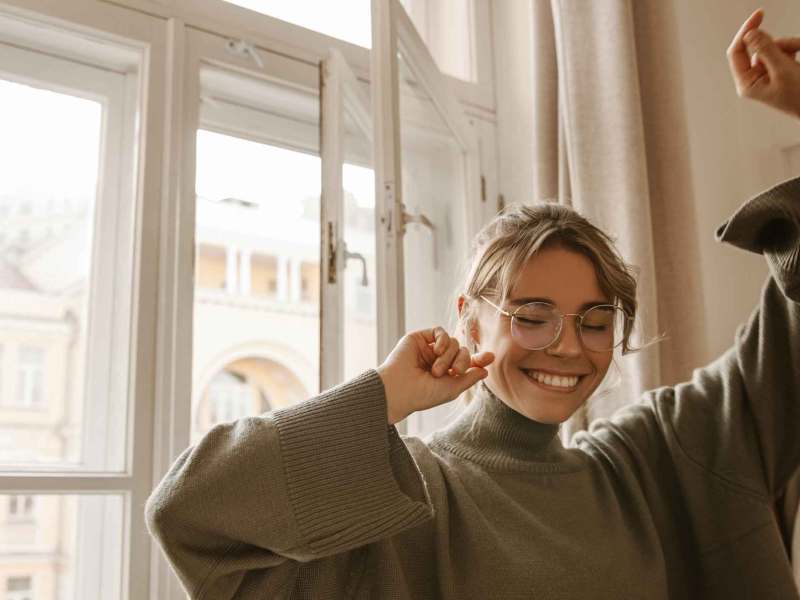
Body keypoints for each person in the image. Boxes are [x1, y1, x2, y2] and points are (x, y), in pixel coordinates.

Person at [146, 8, 800, 599]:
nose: (568, 346)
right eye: (533, 316)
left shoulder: (650, 461)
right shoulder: (412, 494)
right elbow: (189, 509)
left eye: (596, 321)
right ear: (468, 316)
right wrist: (385, 395)